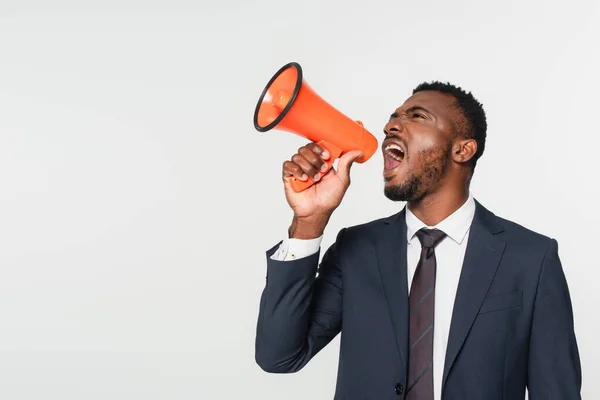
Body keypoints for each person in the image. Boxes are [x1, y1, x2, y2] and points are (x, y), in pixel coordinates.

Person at [254, 82, 581, 400]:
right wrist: (309, 222)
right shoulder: (356, 249)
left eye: (417, 116)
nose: (390, 126)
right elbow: (279, 356)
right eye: (394, 117)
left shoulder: (530, 258)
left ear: (462, 149)